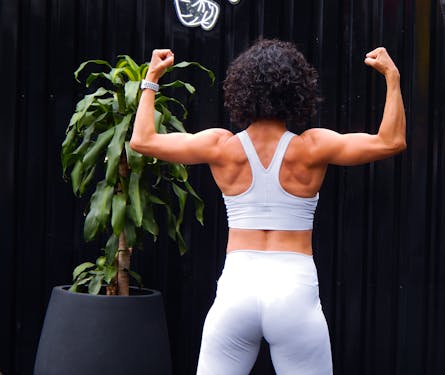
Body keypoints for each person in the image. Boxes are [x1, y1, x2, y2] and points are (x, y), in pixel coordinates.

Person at [131, 39, 406, 375]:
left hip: (238, 287)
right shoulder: (312, 147)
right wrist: (392, 76)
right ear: (297, 91)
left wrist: (152, 78)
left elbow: (142, 140)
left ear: (240, 89)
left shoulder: (221, 146)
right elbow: (391, 141)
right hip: (294, 290)